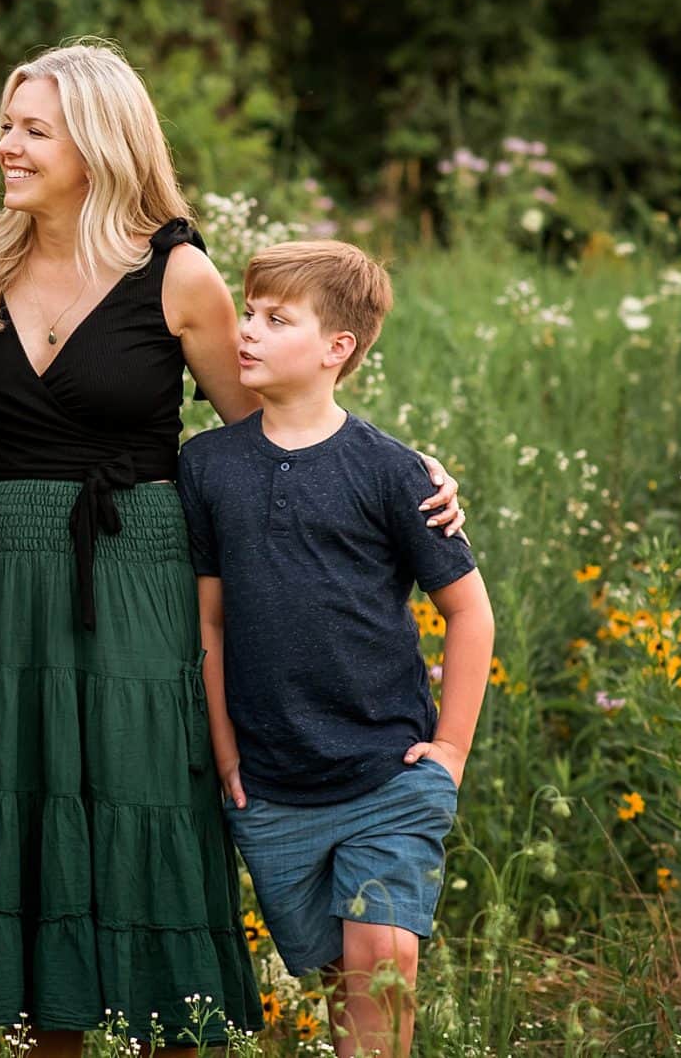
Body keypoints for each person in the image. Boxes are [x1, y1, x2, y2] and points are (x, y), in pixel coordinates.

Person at [0, 39, 467, 1054]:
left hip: (141, 574)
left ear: (98, 143)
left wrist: (409, 472)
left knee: (147, 819)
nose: (5, 145)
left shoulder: (179, 273)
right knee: (28, 841)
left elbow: (270, 436)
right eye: (5, 124)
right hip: (5, 575)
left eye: (32, 129)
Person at [181, 240, 494, 1058]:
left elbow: (470, 612)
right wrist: (224, 752)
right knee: (333, 983)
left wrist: (450, 752)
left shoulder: (391, 470)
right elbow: (207, 623)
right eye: (248, 312)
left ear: (337, 348)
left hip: (388, 771)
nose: (245, 330)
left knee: (380, 966)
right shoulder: (206, 466)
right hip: (272, 783)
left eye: (275, 318)